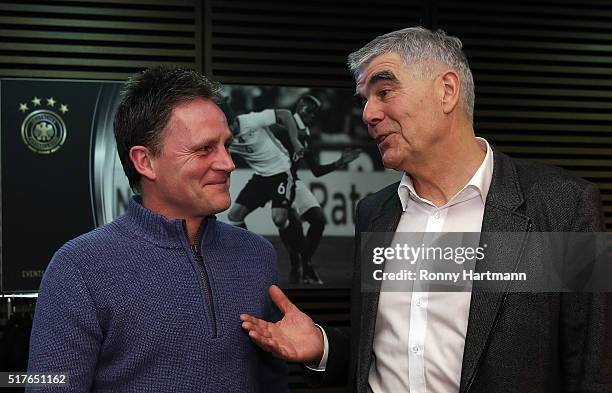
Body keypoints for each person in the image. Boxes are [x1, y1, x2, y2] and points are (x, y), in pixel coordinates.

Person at [239, 27, 612, 392]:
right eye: (365, 100)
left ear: (446, 91)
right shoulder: (375, 212)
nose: (368, 114)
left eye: (384, 92)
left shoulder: (563, 206)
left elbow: (592, 367)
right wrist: (324, 347)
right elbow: (389, 351)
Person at [27, 66, 288, 393]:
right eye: (204, 148)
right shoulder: (78, 267)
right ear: (145, 161)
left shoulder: (257, 256)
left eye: (226, 145)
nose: (228, 163)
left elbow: (273, 384)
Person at [271, 94, 362, 284]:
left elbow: (316, 170)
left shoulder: (305, 133)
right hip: (279, 183)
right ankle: (301, 265)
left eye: (314, 112)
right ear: (302, 108)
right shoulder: (284, 128)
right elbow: (272, 131)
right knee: (292, 224)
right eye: (309, 109)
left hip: (294, 181)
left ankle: (304, 264)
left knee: (318, 220)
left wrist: (339, 162)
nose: (311, 115)